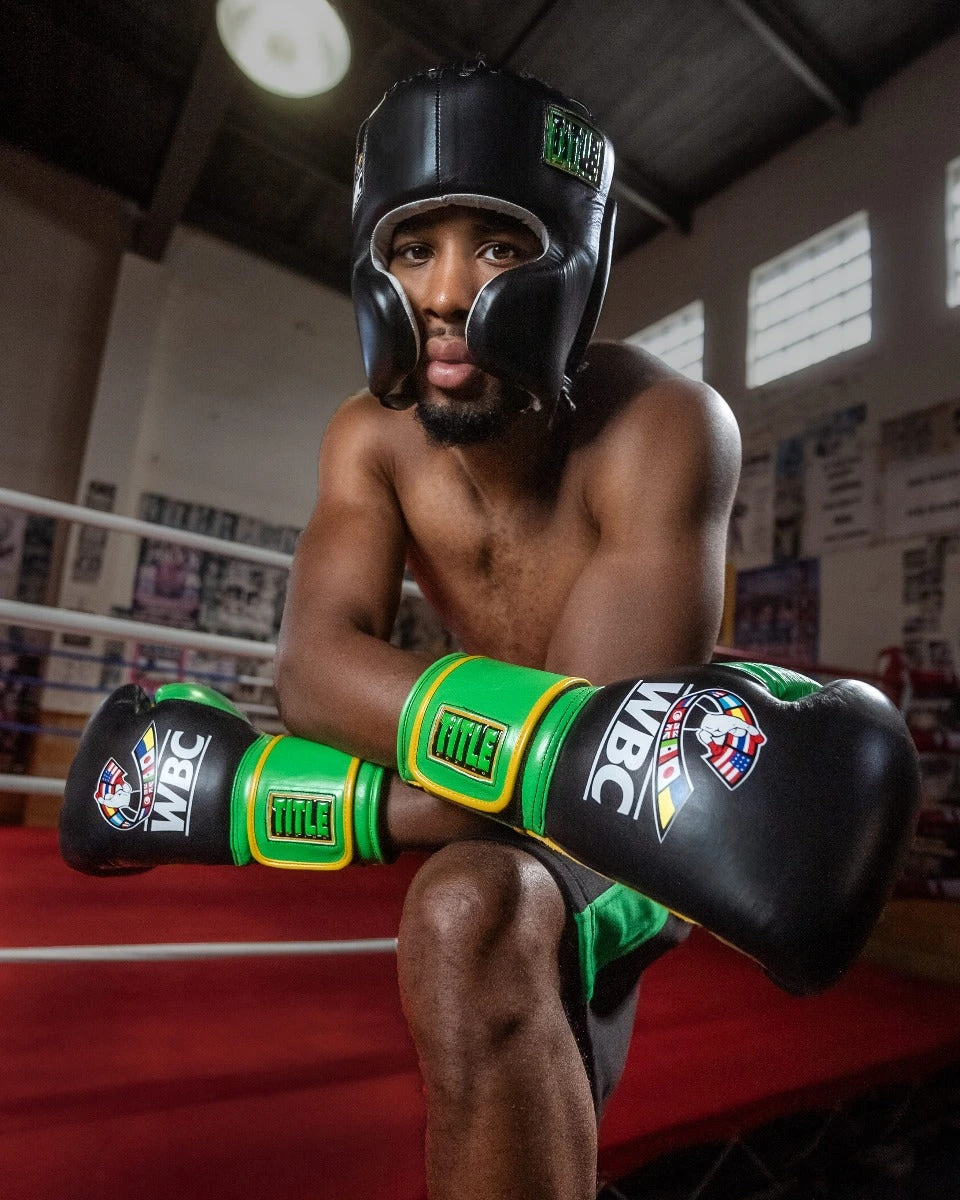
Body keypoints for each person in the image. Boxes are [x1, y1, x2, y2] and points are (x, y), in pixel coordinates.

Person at [60, 62, 919, 1200]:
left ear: (576, 264)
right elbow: (314, 670)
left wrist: (265, 802)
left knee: (467, 909)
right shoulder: (369, 441)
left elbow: (606, 780)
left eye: (499, 247)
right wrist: (419, 788)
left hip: (651, 828)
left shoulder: (665, 427)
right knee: (476, 905)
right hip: (535, 780)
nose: (448, 292)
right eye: (412, 248)